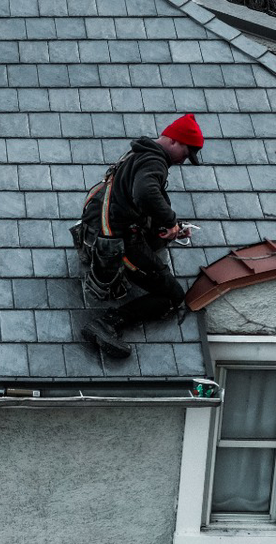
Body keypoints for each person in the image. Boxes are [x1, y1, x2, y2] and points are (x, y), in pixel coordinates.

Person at [76, 114, 205, 361]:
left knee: (157, 243)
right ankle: (106, 324)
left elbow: (135, 199)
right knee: (171, 296)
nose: (184, 161)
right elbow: (145, 193)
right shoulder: (155, 161)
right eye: (187, 154)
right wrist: (169, 221)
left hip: (103, 228)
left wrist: (171, 227)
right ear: (176, 142)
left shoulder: (138, 154)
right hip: (120, 241)